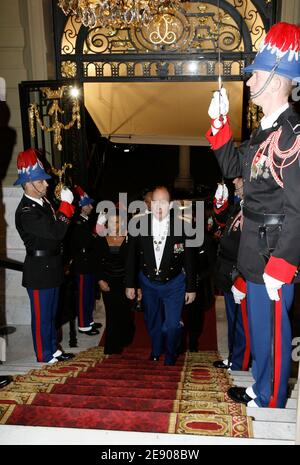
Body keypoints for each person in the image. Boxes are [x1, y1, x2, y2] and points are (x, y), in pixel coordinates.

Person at [206, 22, 300, 408]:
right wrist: (219, 124)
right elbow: (234, 167)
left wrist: (283, 262)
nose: (248, 83)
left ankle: (273, 397)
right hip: (255, 251)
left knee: (274, 333)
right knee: (260, 331)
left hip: (274, 253)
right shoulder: (264, 131)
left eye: (255, 75)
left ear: (277, 79)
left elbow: (298, 207)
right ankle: (262, 386)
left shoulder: (293, 133)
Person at [14, 148, 75, 363]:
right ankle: (43, 354)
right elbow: (56, 232)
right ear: (28, 183)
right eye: (41, 181)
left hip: (52, 266)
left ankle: (53, 349)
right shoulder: (26, 211)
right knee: (41, 318)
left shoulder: (44, 202)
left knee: (51, 315)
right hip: (39, 270)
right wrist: (67, 206)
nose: (47, 184)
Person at [125, 186, 196, 365]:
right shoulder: (138, 224)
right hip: (148, 283)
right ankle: (156, 349)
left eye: (163, 202)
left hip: (174, 284)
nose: (159, 207)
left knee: (171, 325)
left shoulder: (183, 227)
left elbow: (190, 260)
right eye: (155, 202)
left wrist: (191, 287)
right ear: (150, 204)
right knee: (152, 320)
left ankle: (171, 353)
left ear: (170, 205)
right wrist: (130, 284)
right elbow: (131, 257)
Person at [212, 179, 251, 372]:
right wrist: (220, 204)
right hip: (228, 270)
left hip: (241, 271)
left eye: (240, 182)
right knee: (232, 318)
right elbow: (221, 223)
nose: (235, 183)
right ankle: (233, 356)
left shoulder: (253, 208)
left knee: (241, 323)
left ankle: (240, 363)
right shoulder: (239, 205)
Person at [96, 210, 135, 354]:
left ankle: (126, 334)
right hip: (108, 282)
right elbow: (97, 261)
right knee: (112, 313)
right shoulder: (101, 238)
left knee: (125, 313)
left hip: (125, 281)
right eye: (111, 221)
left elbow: (133, 263)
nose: (114, 224)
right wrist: (100, 280)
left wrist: (133, 285)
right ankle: (112, 347)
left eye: (117, 221)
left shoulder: (130, 239)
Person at [69, 186, 101, 336]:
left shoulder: (86, 220)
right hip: (82, 263)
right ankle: (83, 324)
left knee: (90, 294)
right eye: (88, 204)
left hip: (91, 262)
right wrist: (96, 229)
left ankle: (88, 320)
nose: (91, 207)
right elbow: (85, 242)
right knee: (83, 295)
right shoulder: (77, 222)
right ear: (81, 207)